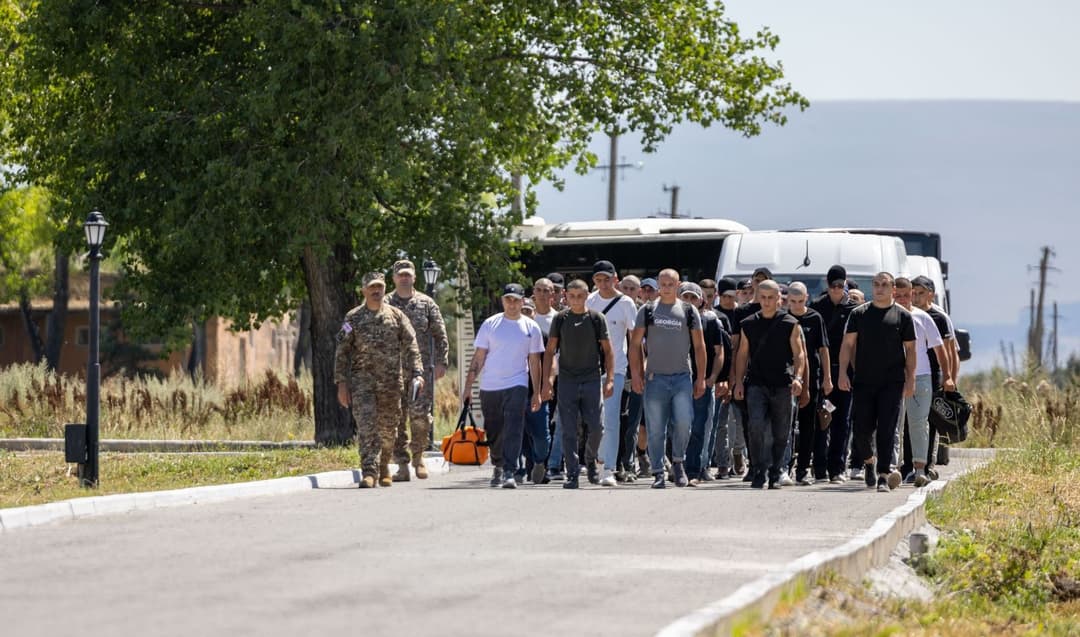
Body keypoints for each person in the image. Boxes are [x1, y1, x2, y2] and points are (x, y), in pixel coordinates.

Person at [335, 272, 424, 488]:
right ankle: (369, 471)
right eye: (372, 287)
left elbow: (412, 345)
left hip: (391, 384)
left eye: (380, 287)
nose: (376, 291)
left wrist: (418, 373)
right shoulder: (352, 318)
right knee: (366, 426)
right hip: (362, 383)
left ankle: (384, 465)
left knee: (388, 429)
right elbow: (341, 351)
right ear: (364, 290)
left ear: (384, 289)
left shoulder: (397, 316)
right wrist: (341, 383)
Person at [629, 269, 707, 488]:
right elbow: (635, 344)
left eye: (670, 284)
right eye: (662, 284)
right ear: (658, 285)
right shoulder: (647, 310)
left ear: (678, 285)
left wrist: (701, 378)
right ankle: (658, 473)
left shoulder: (689, 311)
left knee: (684, 422)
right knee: (655, 429)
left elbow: (699, 346)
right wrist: (636, 374)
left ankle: (678, 461)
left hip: (682, 377)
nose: (666, 288)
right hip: (655, 378)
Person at [838, 272, 916, 493]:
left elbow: (910, 350)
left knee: (887, 429)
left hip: (892, 382)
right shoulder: (859, 314)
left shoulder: (903, 316)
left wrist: (910, 379)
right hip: (864, 380)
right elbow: (847, 345)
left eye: (884, 285)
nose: (879, 288)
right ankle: (869, 461)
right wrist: (842, 373)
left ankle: (883, 474)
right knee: (861, 430)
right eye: (876, 284)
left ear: (892, 289)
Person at [461, 283, 544, 489]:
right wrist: (468, 387)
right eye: (508, 300)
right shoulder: (490, 324)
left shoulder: (531, 327)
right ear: (503, 301)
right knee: (494, 429)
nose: (512, 304)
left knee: (514, 426)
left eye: (516, 300)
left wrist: (537, 392)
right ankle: (497, 464)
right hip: (490, 385)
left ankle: (509, 470)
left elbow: (534, 361)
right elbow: (479, 357)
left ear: (522, 301)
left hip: (518, 383)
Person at [541, 279, 615, 489]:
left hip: (591, 378)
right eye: (572, 296)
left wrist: (610, 379)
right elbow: (550, 351)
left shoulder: (596, 318)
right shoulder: (560, 319)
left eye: (580, 296)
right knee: (568, 429)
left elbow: (608, 351)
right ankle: (572, 472)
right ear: (566, 296)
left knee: (597, 427)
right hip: (567, 380)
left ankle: (590, 460)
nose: (575, 300)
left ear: (586, 296)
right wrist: (547, 381)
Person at [732, 280, 804, 489]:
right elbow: (742, 355)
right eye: (762, 297)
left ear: (778, 298)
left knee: (781, 431)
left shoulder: (790, 323)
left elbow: (799, 353)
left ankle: (776, 471)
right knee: (755, 426)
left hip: (783, 383)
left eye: (770, 297)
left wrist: (798, 378)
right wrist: (738, 382)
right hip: (756, 383)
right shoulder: (748, 323)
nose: (766, 301)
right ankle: (758, 469)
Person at [387, 260, 449, 482]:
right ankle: (402, 465)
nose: (404, 278)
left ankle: (419, 456)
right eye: (400, 275)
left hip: (419, 373)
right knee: (395, 419)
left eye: (408, 274)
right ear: (394, 278)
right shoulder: (385, 303)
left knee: (421, 417)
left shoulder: (426, 303)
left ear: (414, 277)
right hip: (392, 372)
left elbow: (440, 334)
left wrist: (442, 361)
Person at [893, 277, 952, 487]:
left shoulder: (923, 317)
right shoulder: (887, 317)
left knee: (919, 423)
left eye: (906, 295)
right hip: (893, 377)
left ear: (911, 294)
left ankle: (920, 469)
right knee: (894, 424)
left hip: (922, 376)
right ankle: (894, 467)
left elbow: (940, 349)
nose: (903, 299)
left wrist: (948, 376)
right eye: (898, 295)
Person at [586, 260, 639, 487]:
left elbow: (635, 340)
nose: (603, 284)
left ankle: (608, 468)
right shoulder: (589, 301)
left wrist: (636, 372)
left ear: (615, 279)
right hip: (589, 369)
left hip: (616, 369)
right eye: (598, 280)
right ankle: (597, 460)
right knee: (594, 420)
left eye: (606, 279)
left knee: (611, 419)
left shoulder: (626, 303)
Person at [810, 265, 858, 484]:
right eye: (833, 286)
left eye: (840, 285)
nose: (836, 289)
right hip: (822, 372)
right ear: (827, 285)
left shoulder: (854, 310)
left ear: (845, 284)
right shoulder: (817, 307)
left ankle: (837, 468)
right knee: (822, 419)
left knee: (842, 421)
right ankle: (819, 468)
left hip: (845, 372)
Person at [909, 275, 958, 480]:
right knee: (911, 421)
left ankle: (928, 464)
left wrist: (950, 378)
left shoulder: (939, 317)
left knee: (930, 420)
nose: (916, 297)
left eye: (920, 293)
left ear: (931, 294)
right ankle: (909, 465)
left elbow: (950, 351)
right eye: (913, 293)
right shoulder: (907, 314)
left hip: (934, 374)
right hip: (913, 372)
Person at [680, 282, 727, 483]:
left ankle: (693, 470)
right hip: (677, 380)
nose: (689, 301)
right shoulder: (671, 320)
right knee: (679, 426)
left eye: (693, 297)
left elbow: (719, 352)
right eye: (685, 297)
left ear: (701, 300)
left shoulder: (711, 321)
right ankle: (678, 465)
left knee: (700, 427)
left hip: (702, 382)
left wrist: (713, 378)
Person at [787, 282, 832, 485]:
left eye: (800, 301)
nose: (797, 305)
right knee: (786, 426)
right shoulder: (784, 319)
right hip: (787, 378)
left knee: (808, 426)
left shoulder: (815, 318)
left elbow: (823, 349)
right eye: (793, 301)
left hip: (812, 378)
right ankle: (785, 466)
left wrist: (827, 378)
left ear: (806, 298)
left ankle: (803, 468)